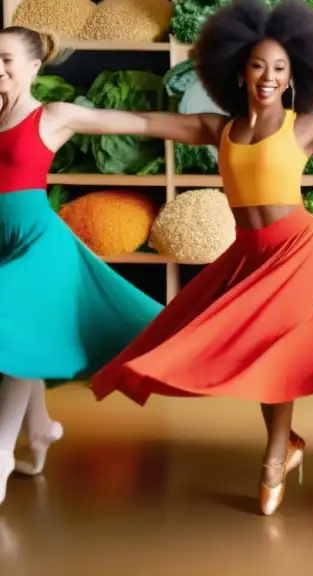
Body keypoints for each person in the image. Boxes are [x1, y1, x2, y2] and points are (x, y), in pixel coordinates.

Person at [87, 0, 313, 516]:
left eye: (279, 68)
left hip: (302, 250)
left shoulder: (306, 128)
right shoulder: (220, 130)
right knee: (251, 348)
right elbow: (145, 124)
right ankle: (286, 446)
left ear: (292, 77)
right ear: (240, 71)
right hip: (250, 257)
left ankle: (276, 452)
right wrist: (72, 117)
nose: (268, 75)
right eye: (258, 65)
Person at [0, 26, 164, 506]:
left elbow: (131, 123)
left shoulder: (52, 115)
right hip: (4, 244)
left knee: (22, 335)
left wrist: (203, 127)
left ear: (34, 66)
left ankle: (2, 455)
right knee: (23, 337)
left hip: (39, 244)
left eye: (7, 58)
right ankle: (41, 430)